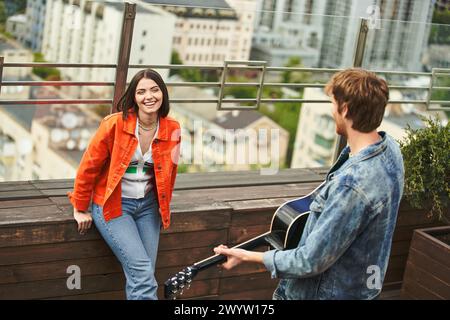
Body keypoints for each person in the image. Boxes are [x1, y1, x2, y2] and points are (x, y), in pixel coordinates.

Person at [214, 68, 404, 300]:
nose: (331, 110)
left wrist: (246, 256)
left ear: (344, 109)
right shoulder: (390, 150)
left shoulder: (352, 184)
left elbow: (310, 261)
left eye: (333, 103)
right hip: (361, 287)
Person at [67, 69, 181, 300]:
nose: (149, 96)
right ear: (134, 97)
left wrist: (163, 209)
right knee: (142, 275)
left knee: (141, 275)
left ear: (163, 93)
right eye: (141, 91)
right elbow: (88, 166)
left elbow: (170, 173)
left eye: (155, 90)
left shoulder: (172, 129)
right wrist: (80, 207)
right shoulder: (114, 124)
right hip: (115, 206)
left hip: (149, 208)